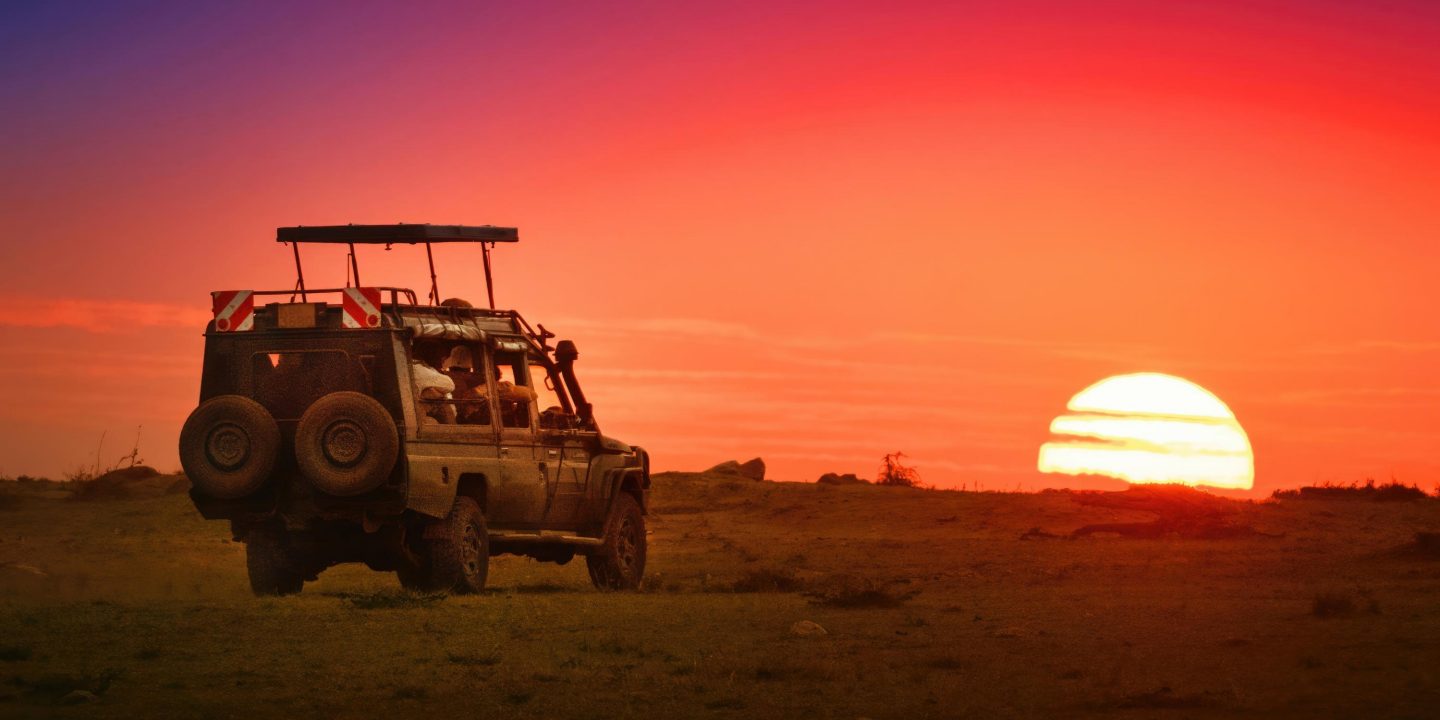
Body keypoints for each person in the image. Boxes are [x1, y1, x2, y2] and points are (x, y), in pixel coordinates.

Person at [412, 347, 456, 424]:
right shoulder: (419, 369)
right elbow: (450, 385)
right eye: (443, 359)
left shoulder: (409, 366)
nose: (444, 362)